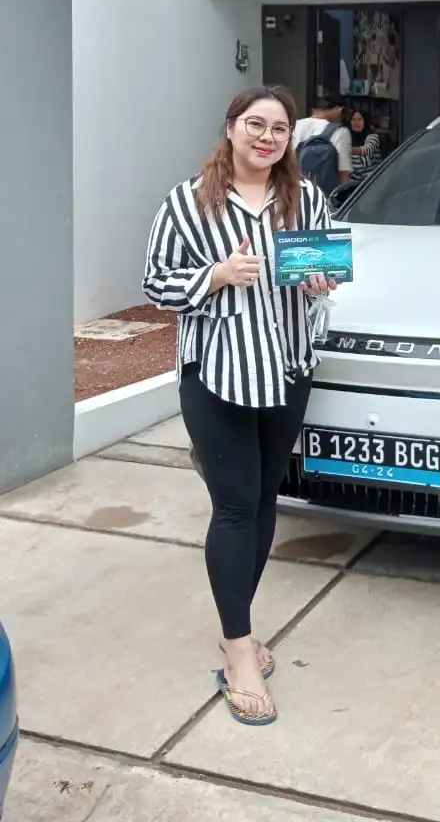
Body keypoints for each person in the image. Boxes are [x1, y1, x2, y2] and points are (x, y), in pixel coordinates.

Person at [143, 84, 335, 728]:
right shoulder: (188, 201)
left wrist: (319, 282)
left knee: (263, 499)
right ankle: (238, 651)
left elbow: (321, 277)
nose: (267, 137)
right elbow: (155, 284)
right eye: (256, 124)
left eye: (279, 128)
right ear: (231, 128)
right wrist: (217, 275)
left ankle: (240, 630)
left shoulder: (306, 198)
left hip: (287, 368)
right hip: (217, 373)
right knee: (233, 505)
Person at [292, 97, 352, 185]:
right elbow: (343, 174)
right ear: (339, 110)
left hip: (295, 188)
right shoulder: (340, 131)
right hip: (326, 192)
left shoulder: (294, 126)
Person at [346, 107, 382, 181]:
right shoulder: (347, 137)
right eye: (353, 119)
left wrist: (346, 149)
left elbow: (367, 150)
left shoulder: (373, 136)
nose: (356, 122)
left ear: (365, 121)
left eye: (360, 119)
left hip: (373, 180)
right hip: (354, 182)